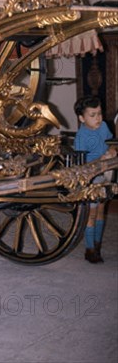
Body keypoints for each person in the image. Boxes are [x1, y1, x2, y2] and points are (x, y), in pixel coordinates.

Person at [73, 96, 116, 263]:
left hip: (106, 174)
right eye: (92, 115)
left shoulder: (104, 126)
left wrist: (112, 150)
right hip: (90, 177)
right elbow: (81, 165)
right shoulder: (81, 136)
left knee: (100, 211)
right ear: (82, 118)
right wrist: (101, 159)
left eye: (99, 113)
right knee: (91, 213)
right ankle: (89, 249)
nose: (98, 118)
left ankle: (97, 244)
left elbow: (111, 142)